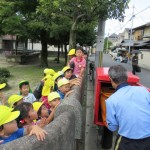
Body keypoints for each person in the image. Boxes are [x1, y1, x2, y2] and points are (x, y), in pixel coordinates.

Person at [106, 65, 150, 150]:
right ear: (126, 77)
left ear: (110, 79)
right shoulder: (143, 90)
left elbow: (112, 127)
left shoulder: (111, 100)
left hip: (127, 142)